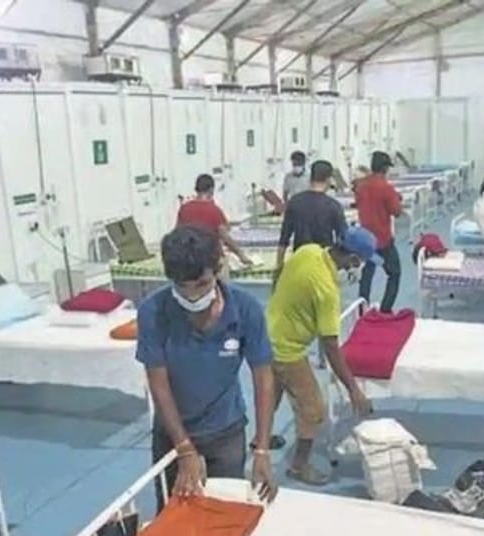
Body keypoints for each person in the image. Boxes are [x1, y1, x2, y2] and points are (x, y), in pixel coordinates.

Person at [136, 226, 277, 508]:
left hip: (225, 434)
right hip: (173, 434)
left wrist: (262, 449)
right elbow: (158, 383)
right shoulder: (154, 312)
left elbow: (263, 378)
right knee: (174, 515)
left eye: (201, 285)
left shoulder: (245, 309)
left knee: (224, 511)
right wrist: (183, 447)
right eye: (182, 287)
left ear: (218, 268)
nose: (192, 296)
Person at [267, 227, 377, 484]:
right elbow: (330, 347)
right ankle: (299, 467)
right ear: (353, 259)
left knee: (269, 395)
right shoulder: (327, 291)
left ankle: (259, 440)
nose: (358, 268)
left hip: (266, 334)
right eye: (359, 263)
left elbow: (279, 275)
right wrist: (354, 390)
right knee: (313, 410)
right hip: (287, 350)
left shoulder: (308, 251)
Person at [274, 159, 348, 281]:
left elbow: (284, 239)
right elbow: (343, 239)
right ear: (329, 179)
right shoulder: (333, 206)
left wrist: (279, 267)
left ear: (310, 178)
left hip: (299, 262)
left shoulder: (295, 202)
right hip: (323, 263)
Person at [354, 151, 404, 313]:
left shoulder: (361, 186)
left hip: (365, 241)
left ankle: (362, 308)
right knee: (394, 273)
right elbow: (397, 212)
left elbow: (360, 203)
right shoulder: (386, 188)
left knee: (367, 274)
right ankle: (385, 309)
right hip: (383, 241)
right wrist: (397, 199)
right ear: (385, 168)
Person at [176, 174, 252, 276]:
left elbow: (177, 234)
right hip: (211, 262)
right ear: (211, 190)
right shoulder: (214, 211)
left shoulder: (184, 209)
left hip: (189, 261)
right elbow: (226, 238)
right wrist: (241, 255)